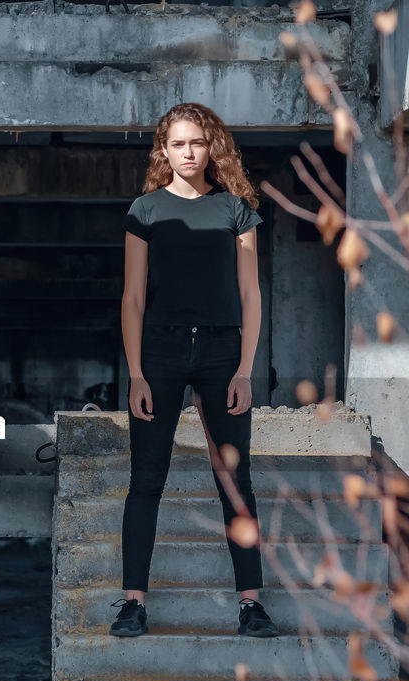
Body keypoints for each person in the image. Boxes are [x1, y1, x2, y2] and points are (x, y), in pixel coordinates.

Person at [110, 102, 277, 639]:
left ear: (211, 148)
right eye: (177, 144)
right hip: (159, 352)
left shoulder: (236, 210)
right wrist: (136, 372)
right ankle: (133, 603)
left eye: (196, 143)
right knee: (146, 479)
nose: (187, 152)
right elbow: (133, 297)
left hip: (222, 354)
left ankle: (251, 604)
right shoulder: (145, 210)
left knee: (234, 479)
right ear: (164, 150)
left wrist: (244, 369)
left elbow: (251, 294)